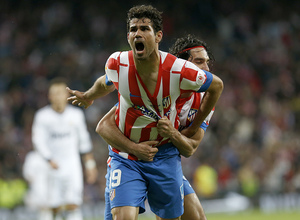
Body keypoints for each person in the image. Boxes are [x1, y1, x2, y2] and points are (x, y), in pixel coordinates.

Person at [67, 5, 223, 220]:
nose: (203, 68)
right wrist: (88, 96)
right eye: (133, 29)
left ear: (158, 36)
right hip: (128, 157)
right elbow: (105, 90)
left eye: (144, 29)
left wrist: (177, 134)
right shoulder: (120, 66)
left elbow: (189, 149)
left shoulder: (198, 96)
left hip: (166, 156)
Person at [97, 34, 215, 220]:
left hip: (164, 160)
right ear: (183, 64)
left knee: (197, 217)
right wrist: (135, 148)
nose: (207, 69)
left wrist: (173, 134)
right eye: (200, 62)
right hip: (130, 159)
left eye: (207, 62)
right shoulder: (159, 88)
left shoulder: (205, 101)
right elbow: (103, 126)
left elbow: (190, 148)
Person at [31, 77, 98, 220]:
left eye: (60, 93)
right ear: (49, 96)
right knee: (52, 206)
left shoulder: (76, 115)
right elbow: (38, 141)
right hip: (50, 166)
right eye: (54, 93)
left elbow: (84, 142)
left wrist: (90, 165)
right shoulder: (42, 116)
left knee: (73, 204)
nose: (57, 96)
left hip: (72, 166)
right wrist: (48, 158)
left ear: (67, 95)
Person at [23, 150, 52, 220]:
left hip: (49, 189)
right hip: (36, 190)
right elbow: (28, 175)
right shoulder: (32, 157)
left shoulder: (51, 155)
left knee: (48, 213)